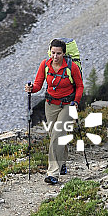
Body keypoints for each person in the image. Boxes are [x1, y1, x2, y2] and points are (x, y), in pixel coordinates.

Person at [25, 38, 84, 184]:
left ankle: (53, 173)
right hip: (50, 104)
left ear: (64, 53)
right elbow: (38, 85)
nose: (55, 56)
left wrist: (76, 102)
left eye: (58, 53)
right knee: (55, 135)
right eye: (53, 53)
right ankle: (62, 163)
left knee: (57, 135)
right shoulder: (45, 65)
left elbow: (80, 86)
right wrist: (31, 89)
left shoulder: (71, 67)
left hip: (68, 105)